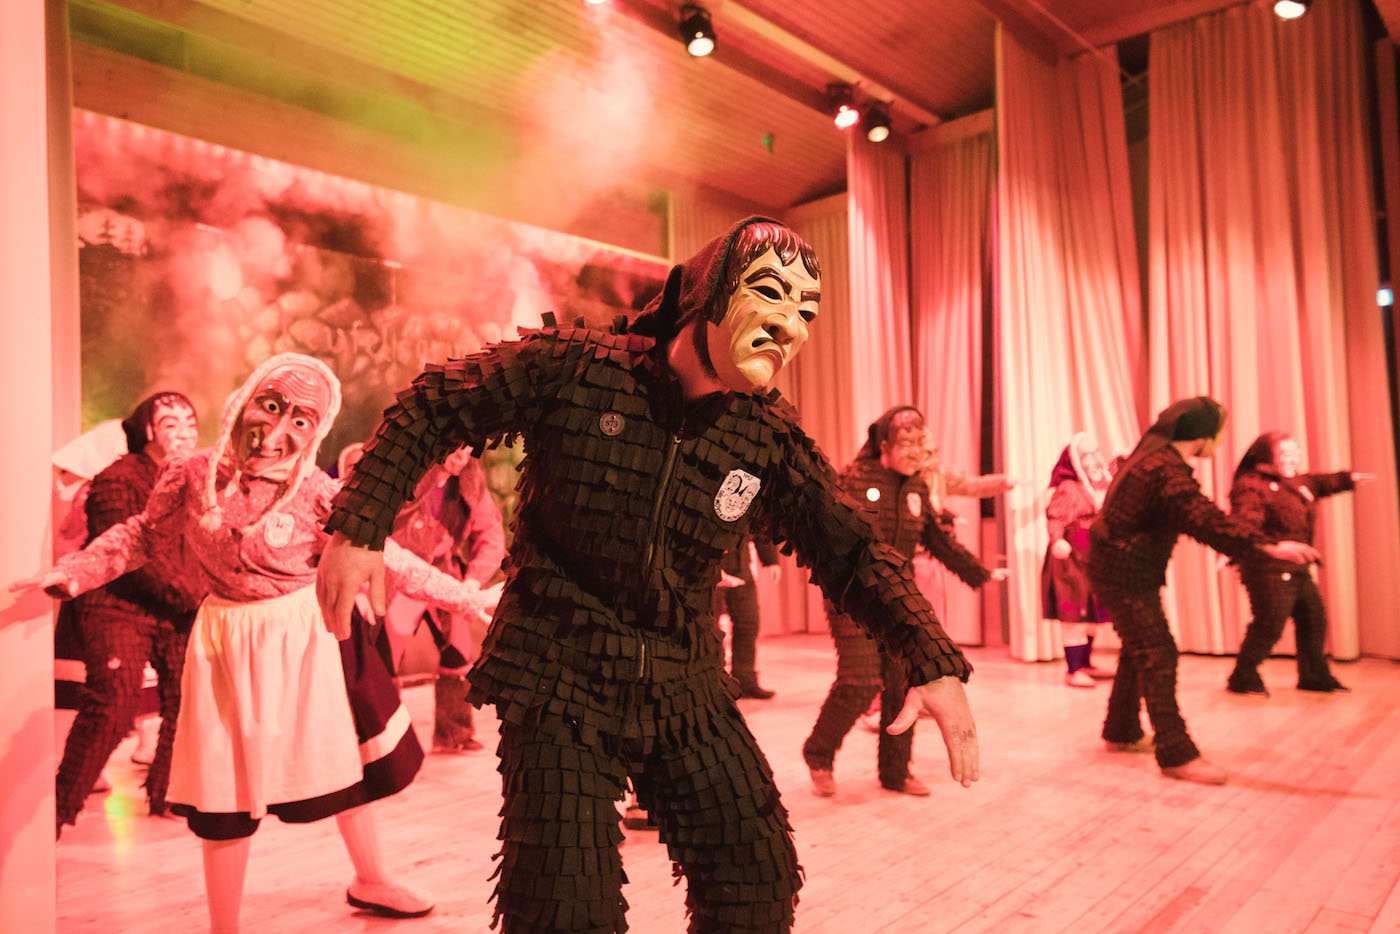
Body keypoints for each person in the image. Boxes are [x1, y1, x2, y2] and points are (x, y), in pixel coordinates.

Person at [316, 217, 981, 934]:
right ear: (707, 292)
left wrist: (931, 657)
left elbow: (851, 549)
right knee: (564, 912)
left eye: (806, 314)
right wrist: (361, 524)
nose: (790, 326)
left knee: (757, 877)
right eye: (770, 294)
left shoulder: (768, 435)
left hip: (684, 678)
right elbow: (435, 402)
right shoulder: (576, 366)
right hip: (558, 676)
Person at [17, 353, 494, 931]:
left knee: (345, 760)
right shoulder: (192, 475)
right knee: (225, 787)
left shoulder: (318, 492)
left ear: (316, 430)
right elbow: (143, 534)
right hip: (225, 642)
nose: (275, 433)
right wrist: (75, 571)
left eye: (300, 419)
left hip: (308, 640)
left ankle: (371, 877)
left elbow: (382, 554)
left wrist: (464, 597)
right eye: (270, 406)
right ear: (244, 401)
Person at [1089, 397, 1319, 785]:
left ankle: (1121, 730)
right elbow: (1205, 519)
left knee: (1138, 648)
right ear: (1201, 436)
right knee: (1158, 651)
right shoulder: (1163, 470)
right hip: (1123, 575)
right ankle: (1176, 753)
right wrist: (1266, 546)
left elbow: (1201, 518)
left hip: (1122, 571)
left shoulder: (1155, 460)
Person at [802, 406, 1003, 799]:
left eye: (919, 443)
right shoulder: (855, 479)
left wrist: (981, 573)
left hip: (898, 596)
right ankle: (819, 753)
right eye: (906, 444)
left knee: (902, 684)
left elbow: (937, 541)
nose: (915, 452)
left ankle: (895, 772)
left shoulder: (916, 487)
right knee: (860, 682)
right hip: (851, 596)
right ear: (884, 445)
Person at [54, 392, 207, 836]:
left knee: (187, 698)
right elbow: (124, 550)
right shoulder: (117, 478)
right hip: (117, 604)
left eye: (190, 422)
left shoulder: (199, 480)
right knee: (113, 703)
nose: (184, 432)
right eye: (171, 423)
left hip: (176, 606)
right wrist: (189, 594)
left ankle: (169, 793)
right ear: (147, 431)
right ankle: (58, 810)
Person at [1226, 432, 1374, 695]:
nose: (1293, 459)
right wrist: (1270, 547)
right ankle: (1243, 677)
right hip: (1267, 570)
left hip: (1298, 567)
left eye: (1295, 453)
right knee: (1269, 625)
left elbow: (1319, 482)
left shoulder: (1294, 482)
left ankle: (1314, 676)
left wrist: (1347, 479)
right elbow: (1245, 522)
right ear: (1265, 458)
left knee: (1314, 620)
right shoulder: (1251, 485)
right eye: (1285, 454)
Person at [382, 445, 506, 752]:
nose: (462, 456)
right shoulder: (407, 470)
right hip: (401, 575)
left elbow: (491, 534)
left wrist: (472, 581)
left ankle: (454, 734)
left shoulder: (470, 479)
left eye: (468, 448)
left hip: (444, 572)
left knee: (458, 652)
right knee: (386, 656)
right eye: (455, 448)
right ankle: (386, 743)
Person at [1042, 432, 1114, 688]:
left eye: (1095, 453)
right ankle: (1073, 669)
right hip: (1071, 559)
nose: (1093, 460)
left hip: (1092, 558)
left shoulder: (1098, 487)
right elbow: (1055, 517)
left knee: (1091, 612)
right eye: (1086, 456)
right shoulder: (1069, 489)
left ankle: (1085, 663)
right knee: (1074, 612)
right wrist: (1057, 540)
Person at [718, 535, 781, 699]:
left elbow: (759, 526)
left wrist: (770, 560)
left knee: (748, 622)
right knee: (710, 630)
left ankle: (744, 682)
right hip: (709, 566)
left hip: (741, 565)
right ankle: (716, 685)